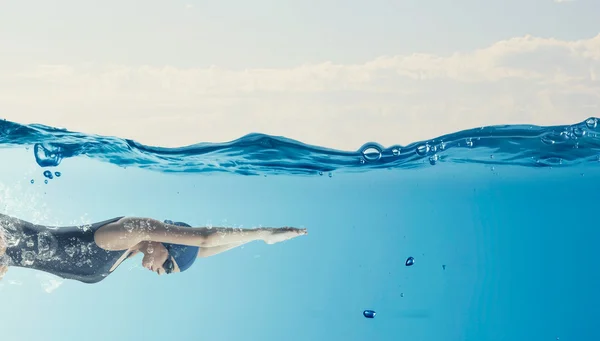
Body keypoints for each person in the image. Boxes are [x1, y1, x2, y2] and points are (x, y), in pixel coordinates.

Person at [0, 213, 307, 283]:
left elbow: (202, 250)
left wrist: (253, 241)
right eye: (168, 266)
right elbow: (203, 239)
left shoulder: (125, 253)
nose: (161, 273)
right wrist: (263, 232)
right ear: (167, 245)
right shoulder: (128, 233)